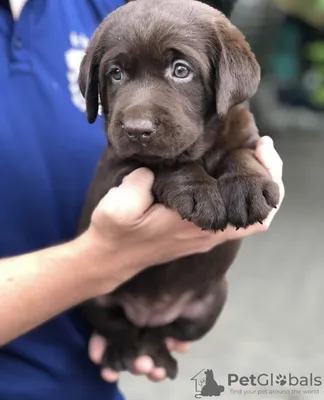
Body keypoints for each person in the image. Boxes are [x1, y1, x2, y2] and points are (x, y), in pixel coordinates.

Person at [0, 0, 284, 399]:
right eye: (116, 74)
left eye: (180, 70)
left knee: (208, 303)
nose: (137, 117)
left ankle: (143, 339)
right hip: (57, 346)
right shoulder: (112, 31)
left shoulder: (107, 7)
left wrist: (247, 168)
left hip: (89, 376)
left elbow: (241, 143)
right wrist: (103, 259)